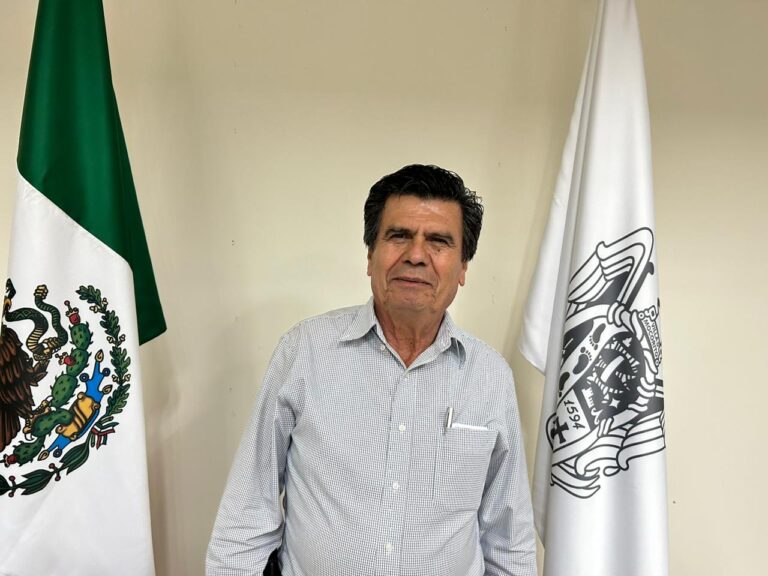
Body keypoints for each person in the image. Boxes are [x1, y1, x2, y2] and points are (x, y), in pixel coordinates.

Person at [206, 164, 537, 576]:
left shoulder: (490, 377)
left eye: (438, 241)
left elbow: (508, 541)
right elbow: (246, 518)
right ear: (370, 256)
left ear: (463, 267)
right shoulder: (305, 352)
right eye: (398, 236)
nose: (416, 255)